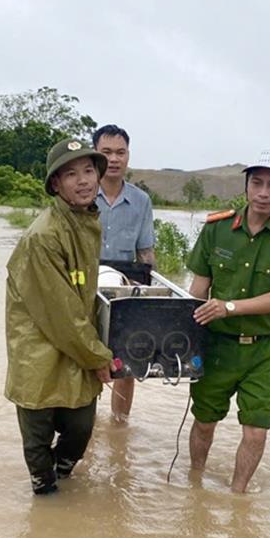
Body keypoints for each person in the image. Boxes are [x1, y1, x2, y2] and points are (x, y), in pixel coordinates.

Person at [184, 150, 270, 493]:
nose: (264, 192)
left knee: (256, 430)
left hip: (263, 351)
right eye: (257, 182)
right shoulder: (217, 227)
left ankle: (238, 496)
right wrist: (181, 332)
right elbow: (198, 289)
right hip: (216, 348)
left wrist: (229, 306)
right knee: (205, 422)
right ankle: (195, 483)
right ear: (246, 185)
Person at [4, 138, 114, 495]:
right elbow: (62, 313)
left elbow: (83, 301)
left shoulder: (86, 223)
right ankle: (47, 517)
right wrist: (99, 357)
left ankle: (62, 487)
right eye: (71, 174)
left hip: (76, 347)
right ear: (56, 184)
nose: (83, 181)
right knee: (39, 452)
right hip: (39, 352)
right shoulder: (43, 236)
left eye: (88, 171)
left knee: (80, 430)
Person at [92, 124, 156, 421]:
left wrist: (149, 296)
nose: (114, 159)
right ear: (95, 154)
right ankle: (84, 428)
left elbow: (145, 253)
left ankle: (120, 427)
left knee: (126, 360)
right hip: (85, 282)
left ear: (128, 156)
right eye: (107, 152)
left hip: (124, 284)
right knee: (85, 356)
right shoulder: (81, 193)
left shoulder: (141, 201)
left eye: (120, 152)